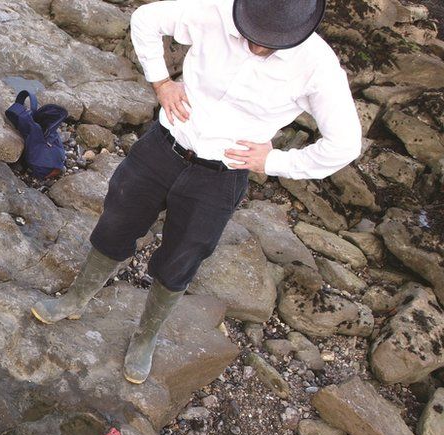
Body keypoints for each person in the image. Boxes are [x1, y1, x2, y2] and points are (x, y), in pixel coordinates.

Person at [31, 0, 361, 384]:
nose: (256, 47)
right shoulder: (217, 11)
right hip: (163, 147)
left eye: (270, 44)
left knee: (181, 259)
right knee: (116, 223)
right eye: (252, 36)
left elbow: (345, 143)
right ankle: (75, 300)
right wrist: (161, 82)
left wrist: (275, 163)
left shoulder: (318, 66)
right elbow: (145, 19)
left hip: (220, 177)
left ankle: (146, 336)